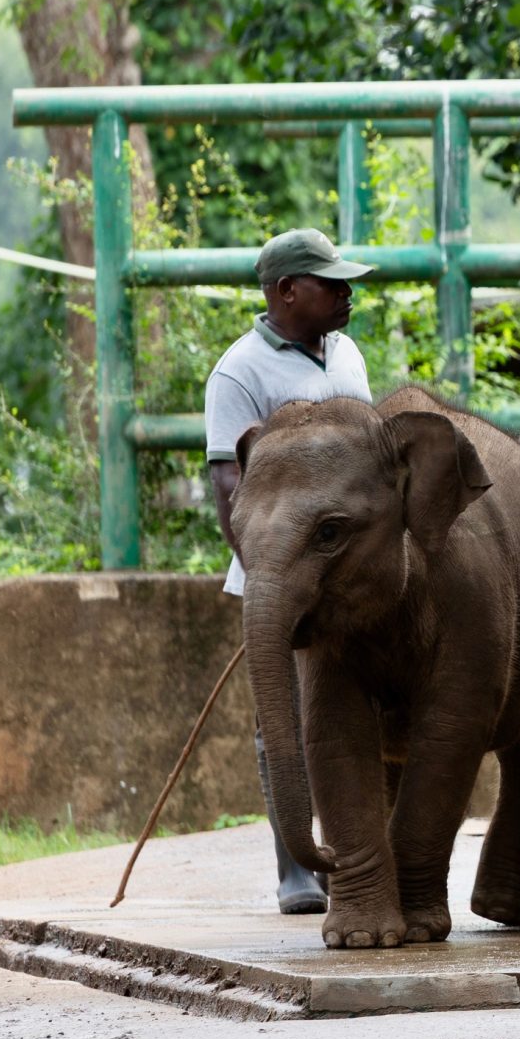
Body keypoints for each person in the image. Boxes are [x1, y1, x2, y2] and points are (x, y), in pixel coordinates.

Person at [204, 228, 374, 915]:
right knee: (286, 716)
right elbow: (227, 486)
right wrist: (267, 579)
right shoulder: (240, 372)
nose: (346, 293)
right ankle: (296, 867)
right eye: (330, 283)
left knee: (347, 713)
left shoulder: (348, 353)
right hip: (284, 582)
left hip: (354, 579)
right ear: (284, 291)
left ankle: (353, 858)